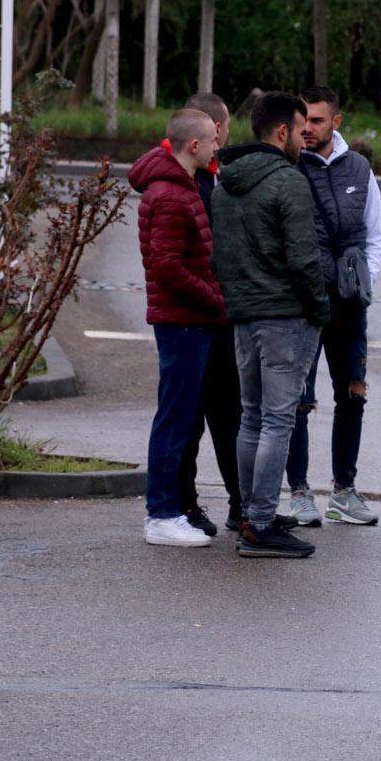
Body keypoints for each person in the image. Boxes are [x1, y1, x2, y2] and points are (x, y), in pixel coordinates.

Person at [213, 92, 329, 558]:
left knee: (252, 417)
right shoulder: (289, 181)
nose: (306, 138)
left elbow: (218, 255)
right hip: (285, 318)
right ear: (281, 132)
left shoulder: (226, 181)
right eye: (302, 130)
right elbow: (304, 260)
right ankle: (261, 524)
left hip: (242, 316)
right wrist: (321, 309)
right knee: (278, 419)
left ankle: (248, 513)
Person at [286, 86, 381, 527]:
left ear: (336, 123)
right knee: (297, 401)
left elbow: (373, 235)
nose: (308, 129)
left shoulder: (360, 170)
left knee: (352, 396)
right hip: (303, 305)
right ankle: (300, 493)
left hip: (349, 305)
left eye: (318, 121)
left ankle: (344, 491)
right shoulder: (286, 166)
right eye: (303, 120)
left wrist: (365, 285)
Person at [128, 108, 225, 548]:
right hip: (183, 321)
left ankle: (167, 511)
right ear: (194, 145)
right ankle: (162, 514)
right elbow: (167, 267)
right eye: (212, 140)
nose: (218, 146)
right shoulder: (170, 194)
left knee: (179, 418)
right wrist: (215, 300)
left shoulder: (178, 186)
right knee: (175, 420)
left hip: (187, 320)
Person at [167, 92, 244, 534]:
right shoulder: (183, 185)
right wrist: (216, 298)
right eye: (225, 130)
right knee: (190, 419)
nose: (226, 139)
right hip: (196, 318)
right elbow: (173, 263)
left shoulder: (212, 177)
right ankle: (184, 504)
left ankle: (240, 503)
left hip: (217, 319)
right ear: (210, 132)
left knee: (229, 414)